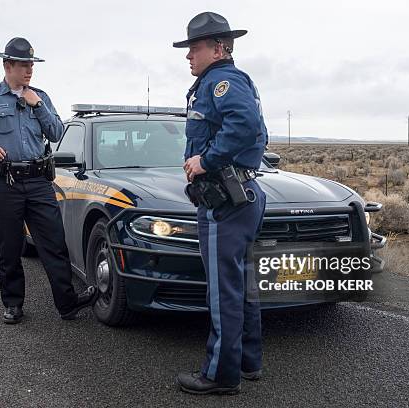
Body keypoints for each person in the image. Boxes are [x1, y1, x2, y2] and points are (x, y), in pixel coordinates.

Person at [0, 37, 97, 324]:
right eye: (23, 65)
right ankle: (13, 304)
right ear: (7, 66)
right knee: (10, 246)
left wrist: (38, 104)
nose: (29, 70)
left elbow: (56, 133)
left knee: (54, 242)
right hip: (5, 182)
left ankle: (67, 304)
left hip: (39, 181)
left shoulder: (40, 96)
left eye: (32, 64)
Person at [173, 12, 268, 395]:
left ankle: (220, 375)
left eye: (194, 48)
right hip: (241, 196)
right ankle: (247, 361)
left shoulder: (222, 81)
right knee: (242, 285)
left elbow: (246, 127)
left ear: (219, 48)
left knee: (222, 290)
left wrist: (206, 160)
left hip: (225, 201)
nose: (188, 56)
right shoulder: (219, 81)